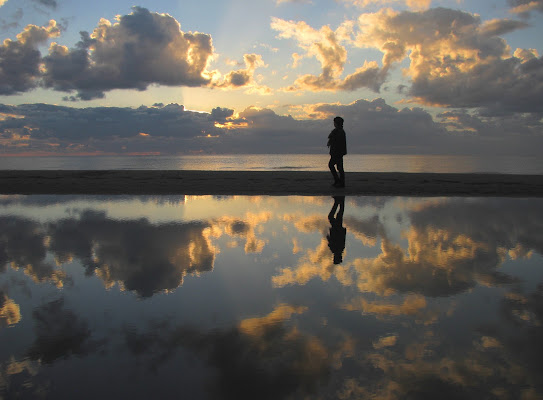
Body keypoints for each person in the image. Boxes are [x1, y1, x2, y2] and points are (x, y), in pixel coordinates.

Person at [327, 116, 347, 188]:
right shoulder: (337, 131)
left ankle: (338, 181)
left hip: (337, 152)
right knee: (339, 167)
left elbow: (338, 143)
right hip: (337, 152)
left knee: (333, 165)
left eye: (334, 122)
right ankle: (340, 182)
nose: (334, 124)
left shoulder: (339, 131)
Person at [327, 196, 346, 264]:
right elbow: (332, 241)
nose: (333, 257)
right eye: (334, 258)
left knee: (339, 214)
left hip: (338, 229)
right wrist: (328, 238)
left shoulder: (339, 250)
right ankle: (338, 201)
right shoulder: (336, 250)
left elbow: (342, 239)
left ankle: (340, 201)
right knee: (332, 216)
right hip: (336, 229)